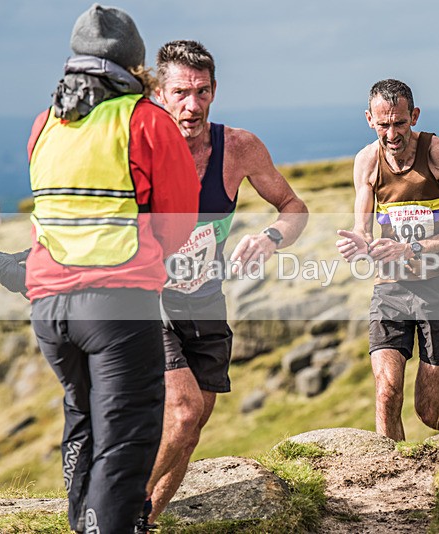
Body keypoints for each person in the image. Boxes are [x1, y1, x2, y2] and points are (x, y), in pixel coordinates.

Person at [26, 5, 199, 533]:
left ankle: (84, 524)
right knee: (126, 436)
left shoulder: (45, 124)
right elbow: (177, 224)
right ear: (136, 63)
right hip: (118, 305)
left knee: (84, 420)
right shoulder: (146, 121)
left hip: (49, 308)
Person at [145, 40, 308, 522]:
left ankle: (143, 519)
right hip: (147, 300)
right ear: (159, 92)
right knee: (184, 413)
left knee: (190, 430)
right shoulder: (139, 148)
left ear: (214, 91)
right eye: (179, 92)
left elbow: (294, 208)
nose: (190, 105)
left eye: (201, 92)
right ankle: (109, 511)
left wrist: (270, 238)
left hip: (206, 303)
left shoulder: (239, 148)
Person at [336, 79, 439, 440]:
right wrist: (359, 242)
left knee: (430, 412)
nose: (392, 133)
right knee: (386, 394)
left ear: (414, 116)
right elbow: (363, 227)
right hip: (391, 288)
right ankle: (394, 484)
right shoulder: (366, 162)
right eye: (383, 124)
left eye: (399, 123)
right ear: (370, 119)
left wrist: (414, 248)